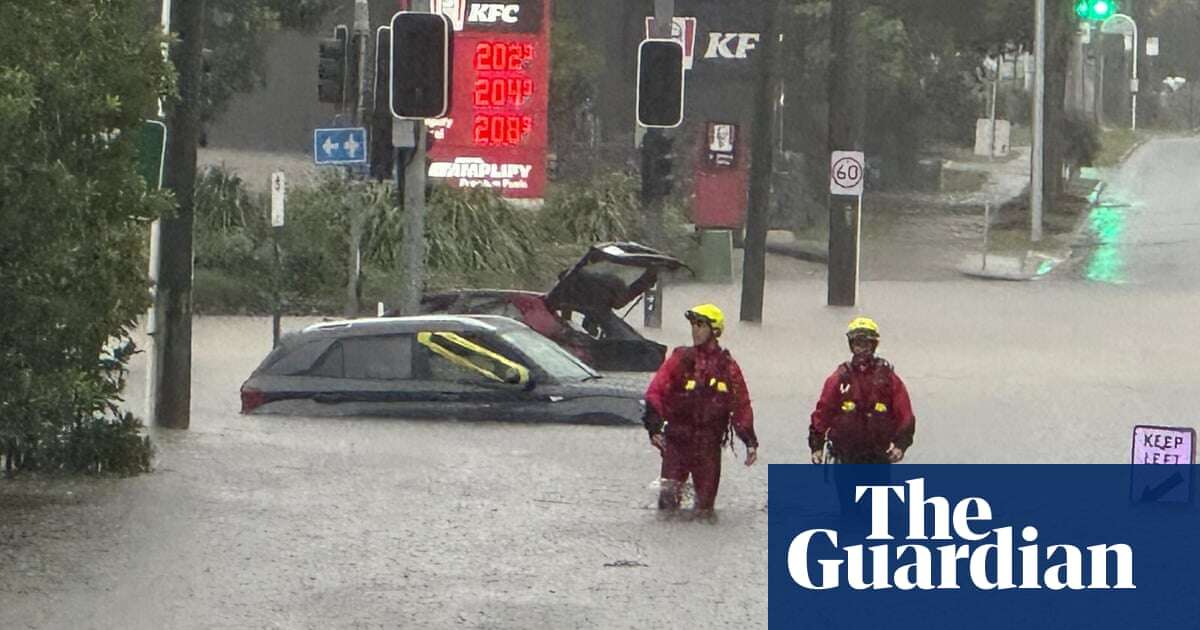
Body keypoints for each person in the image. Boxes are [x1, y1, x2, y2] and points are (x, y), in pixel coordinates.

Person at [643, 304, 758, 517]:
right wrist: (654, 427)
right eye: (693, 325)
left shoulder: (728, 366)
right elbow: (655, 392)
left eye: (700, 325)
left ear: (714, 330)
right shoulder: (680, 359)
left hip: (708, 445)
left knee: (705, 509)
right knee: (667, 508)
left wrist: (749, 441)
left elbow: (740, 404)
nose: (695, 330)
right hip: (677, 442)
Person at [808, 317, 915, 465]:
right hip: (845, 456)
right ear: (851, 346)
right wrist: (817, 446)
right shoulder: (840, 378)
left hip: (878, 456)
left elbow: (905, 414)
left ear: (874, 346)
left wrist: (900, 445)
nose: (862, 349)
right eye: (858, 344)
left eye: (866, 345)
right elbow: (823, 412)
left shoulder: (888, 379)